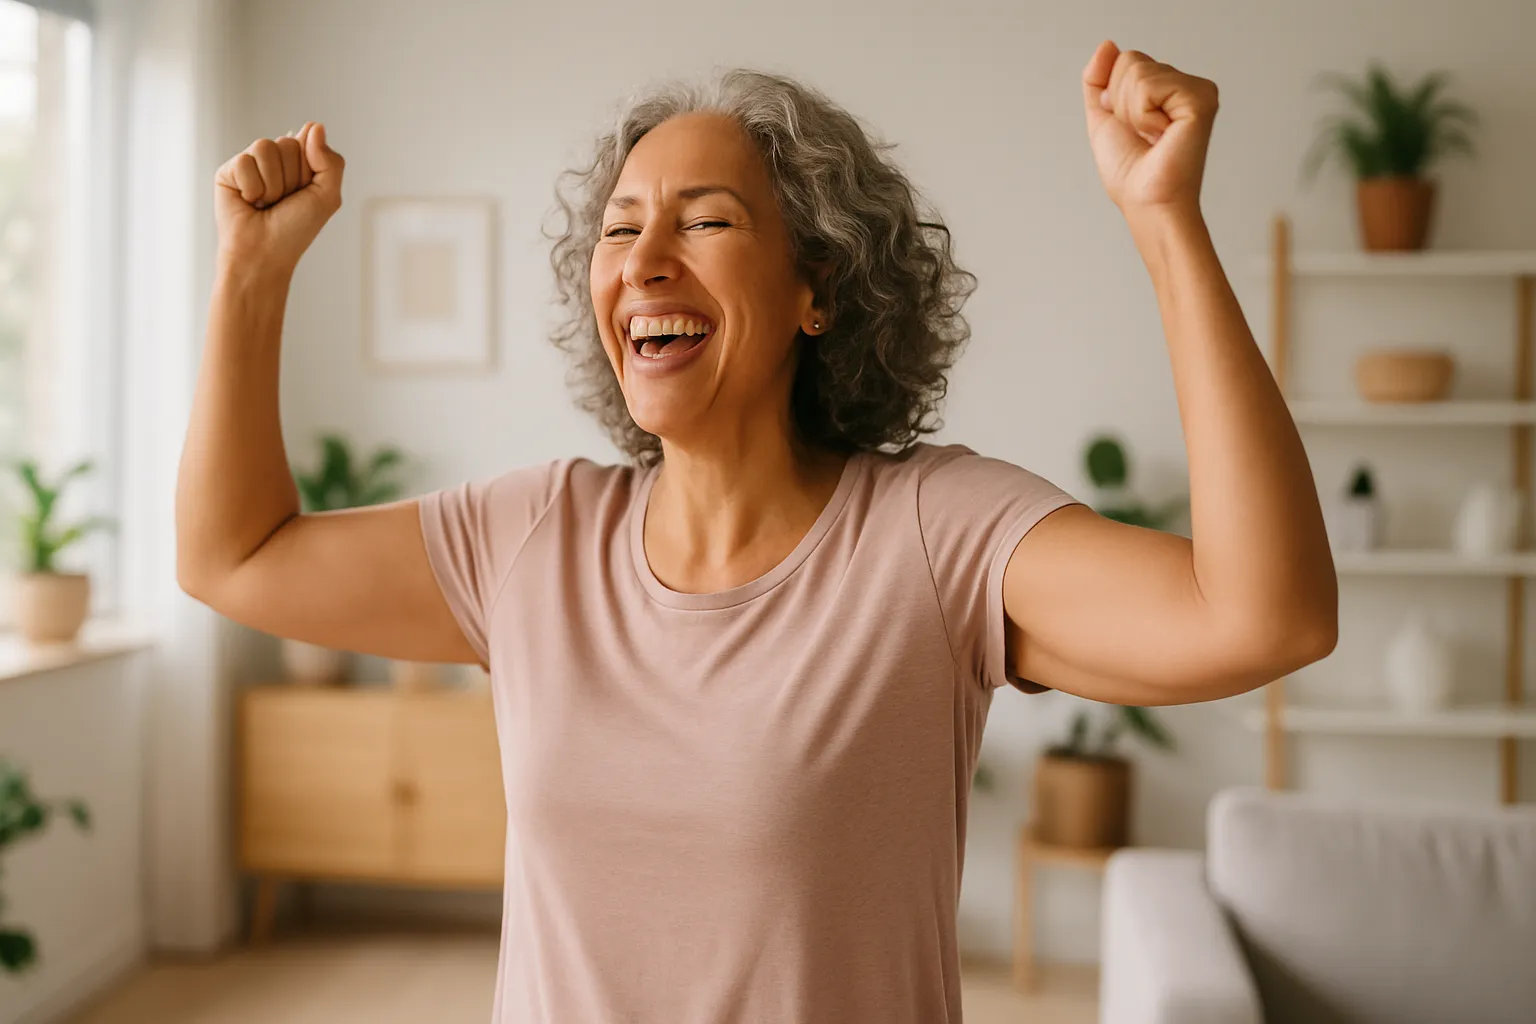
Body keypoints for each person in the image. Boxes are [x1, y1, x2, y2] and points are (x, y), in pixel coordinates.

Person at [177, 40, 1337, 1024]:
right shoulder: (535, 537)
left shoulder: (932, 537)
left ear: (814, 288)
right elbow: (233, 554)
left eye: (707, 220)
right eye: (621, 229)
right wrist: (250, 276)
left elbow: (1264, 616)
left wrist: (1166, 222)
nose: (642, 261)